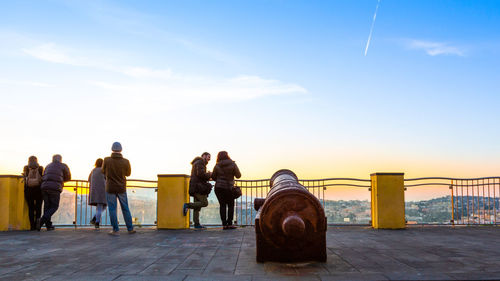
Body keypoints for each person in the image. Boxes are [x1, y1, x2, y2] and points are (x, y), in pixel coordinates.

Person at [102, 142, 135, 235]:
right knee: (125, 208)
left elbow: (103, 171)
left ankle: (115, 229)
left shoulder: (106, 160)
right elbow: (128, 174)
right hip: (121, 187)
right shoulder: (126, 161)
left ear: (112, 149)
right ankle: (130, 228)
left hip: (110, 187)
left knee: (112, 209)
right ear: (121, 149)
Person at [37, 154, 71, 231]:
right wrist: (61, 180)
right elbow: (68, 177)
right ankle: (42, 221)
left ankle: (48, 225)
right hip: (55, 188)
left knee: (47, 206)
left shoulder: (48, 165)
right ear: (60, 159)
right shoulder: (63, 166)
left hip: (44, 187)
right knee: (54, 206)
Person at [211, 151, 241, 229]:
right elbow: (238, 175)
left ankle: (224, 224)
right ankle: (230, 223)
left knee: (222, 205)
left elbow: (213, 177)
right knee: (231, 205)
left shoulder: (217, 165)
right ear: (227, 156)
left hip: (219, 188)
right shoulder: (233, 164)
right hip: (229, 188)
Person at [183, 152, 212, 229]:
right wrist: (209, 174)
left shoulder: (198, 162)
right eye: (208, 157)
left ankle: (197, 224)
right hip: (198, 187)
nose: (209, 159)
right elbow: (200, 174)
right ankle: (187, 205)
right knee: (204, 203)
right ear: (204, 156)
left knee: (197, 207)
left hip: (195, 186)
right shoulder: (200, 162)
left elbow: (199, 174)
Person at [22, 156, 44, 230]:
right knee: (38, 208)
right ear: (36, 160)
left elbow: (25, 178)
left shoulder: (26, 168)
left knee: (31, 208)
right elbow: (42, 178)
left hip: (29, 191)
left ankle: (32, 226)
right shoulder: (40, 168)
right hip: (39, 191)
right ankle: (38, 223)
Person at [88, 158, 107, 229]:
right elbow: (107, 179)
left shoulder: (93, 171)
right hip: (103, 191)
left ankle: (95, 219)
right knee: (102, 207)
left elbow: (89, 179)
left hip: (94, 191)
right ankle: (97, 222)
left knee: (100, 207)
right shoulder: (104, 171)